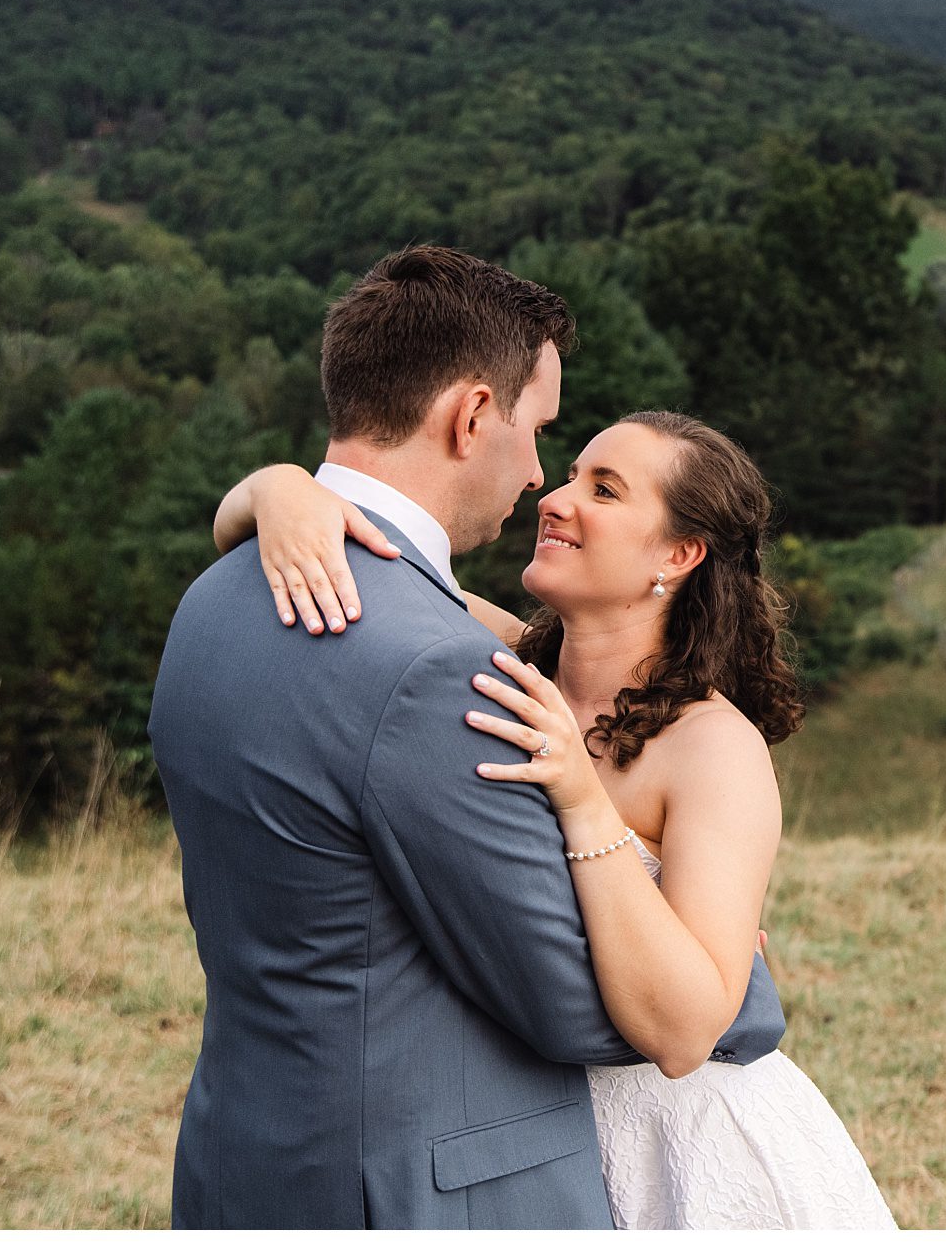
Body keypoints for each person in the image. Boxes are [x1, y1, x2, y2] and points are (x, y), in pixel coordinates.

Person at [148, 246, 788, 1229]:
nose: (541, 481)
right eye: (540, 437)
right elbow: (571, 1000)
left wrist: (269, 487)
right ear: (471, 415)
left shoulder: (217, 596)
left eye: (598, 484)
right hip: (401, 1183)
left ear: (681, 554)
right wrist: (738, 983)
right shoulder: (442, 664)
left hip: (249, 1150)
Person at [223, 411, 895, 1229]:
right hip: (542, 1137)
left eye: (604, 490)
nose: (558, 497)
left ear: (678, 556)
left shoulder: (714, 746)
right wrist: (279, 488)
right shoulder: (498, 656)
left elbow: (684, 1034)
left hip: (684, 1151)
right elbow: (329, 554)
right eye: (572, 474)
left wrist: (581, 798)